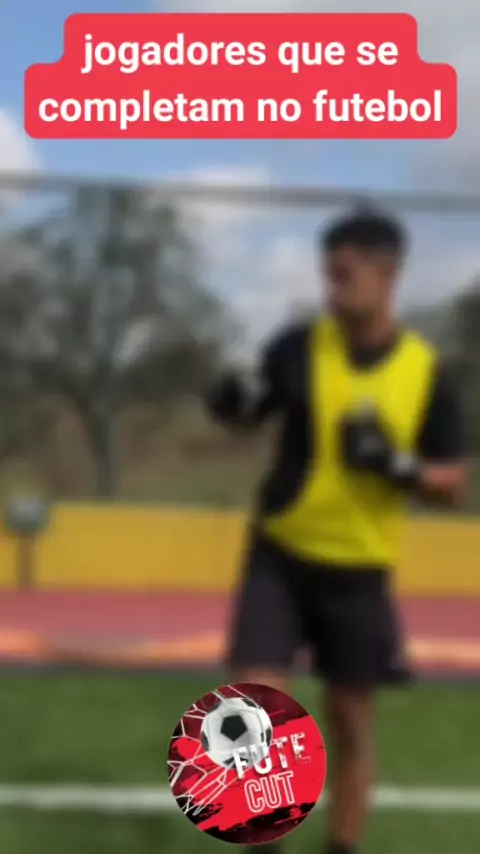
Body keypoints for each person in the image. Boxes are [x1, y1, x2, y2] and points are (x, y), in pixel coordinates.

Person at [206, 208, 468, 854]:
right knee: (255, 706)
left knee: (350, 720)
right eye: (328, 274)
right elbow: (255, 410)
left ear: (388, 274)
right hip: (280, 552)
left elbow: (453, 483)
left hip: (359, 569)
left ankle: (341, 846)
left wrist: (397, 466)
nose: (332, 287)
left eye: (345, 274)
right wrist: (231, 407)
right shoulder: (297, 346)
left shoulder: (426, 370)